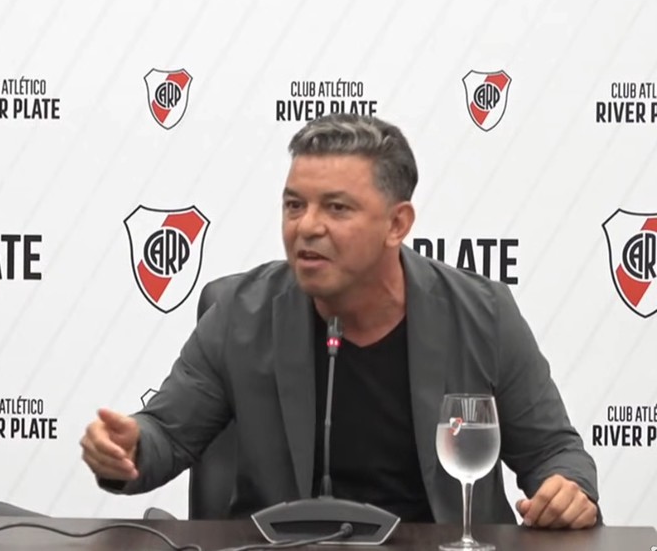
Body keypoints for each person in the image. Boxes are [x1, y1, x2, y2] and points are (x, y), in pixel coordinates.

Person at [81, 114, 600, 529]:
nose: (307, 226)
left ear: (397, 224)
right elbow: (166, 435)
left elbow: (555, 451)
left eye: (336, 208)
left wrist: (568, 490)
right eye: (294, 205)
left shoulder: (482, 313)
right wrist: (127, 448)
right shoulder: (241, 312)